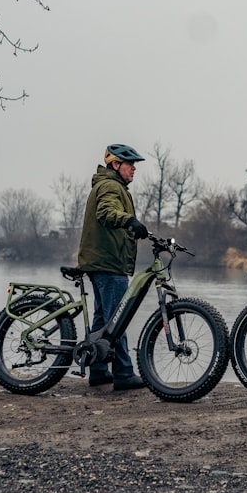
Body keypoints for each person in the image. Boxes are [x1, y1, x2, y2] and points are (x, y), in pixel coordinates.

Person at [77, 143, 151, 391]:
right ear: (115, 165)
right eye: (130, 164)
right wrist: (129, 219)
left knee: (102, 318)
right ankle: (123, 372)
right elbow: (107, 212)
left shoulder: (111, 185)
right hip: (108, 263)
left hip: (102, 261)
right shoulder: (110, 186)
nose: (134, 169)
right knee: (116, 320)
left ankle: (98, 370)